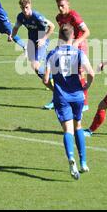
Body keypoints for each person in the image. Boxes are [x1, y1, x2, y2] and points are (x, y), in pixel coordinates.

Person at [43, 24, 95, 180]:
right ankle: (84, 162)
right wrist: (87, 85)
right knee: (78, 125)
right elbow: (91, 73)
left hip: (62, 96)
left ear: (59, 37)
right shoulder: (78, 52)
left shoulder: (52, 53)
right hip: (78, 96)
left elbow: (46, 79)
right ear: (72, 36)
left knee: (68, 130)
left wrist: (54, 90)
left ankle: (71, 158)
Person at [44, 0, 91, 110]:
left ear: (68, 5)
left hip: (79, 46)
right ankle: (56, 99)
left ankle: (84, 103)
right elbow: (62, 32)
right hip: (66, 47)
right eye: (59, 6)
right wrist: (59, 45)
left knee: (79, 74)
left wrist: (77, 42)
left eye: (62, 6)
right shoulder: (59, 17)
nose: (60, 8)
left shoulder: (74, 16)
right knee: (60, 73)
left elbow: (87, 31)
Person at [11, 0, 55, 109]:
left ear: (30, 6)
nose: (25, 10)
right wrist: (11, 35)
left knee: (35, 66)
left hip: (41, 42)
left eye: (27, 8)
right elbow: (16, 27)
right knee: (36, 69)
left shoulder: (37, 16)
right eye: (23, 8)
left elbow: (52, 26)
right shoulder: (20, 17)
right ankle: (51, 78)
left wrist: (44, 39)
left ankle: (56, 91)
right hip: (31, 42)